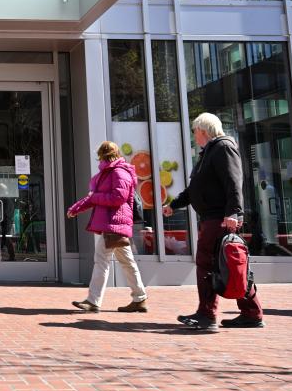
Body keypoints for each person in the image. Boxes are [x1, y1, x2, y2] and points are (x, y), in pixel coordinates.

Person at [164, 113, 263, 331]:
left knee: (208, 264)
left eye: (194, 131)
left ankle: (207, 314)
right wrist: (174, 204)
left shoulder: (222, 148)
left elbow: (234, 181)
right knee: (230, 265)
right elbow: (194, 189)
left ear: (203, 130)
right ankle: (251, 313)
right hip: (214, 217)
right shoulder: (209, 152)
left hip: (219, 218)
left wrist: (234, 213)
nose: (194, 135)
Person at [67, 141, 148, 313]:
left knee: (101, 261)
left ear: (103, 155)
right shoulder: (107, 172)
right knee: (127, 262)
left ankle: (93, 301)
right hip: (112, 224)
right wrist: (76, 208)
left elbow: (118, 197)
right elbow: (93, 197)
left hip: (114, 224)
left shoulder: (119, 172)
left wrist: (94, 199)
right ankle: (140, 298)